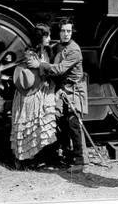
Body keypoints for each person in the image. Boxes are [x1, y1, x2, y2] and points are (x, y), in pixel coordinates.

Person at [28, 18, 88, 172]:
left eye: (68, 31)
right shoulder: (58, 46)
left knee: (74, 124)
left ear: (72, 32)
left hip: (74, 91)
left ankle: (80, 161)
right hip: (63, 90)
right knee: (61, 123)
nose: (66, 34)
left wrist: (40, 65)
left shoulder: (74, 50)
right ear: (59, 32)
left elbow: (60, 69)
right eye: (63, 31)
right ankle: (67, 157)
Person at [10, 24, 57, 166]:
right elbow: (39, 72)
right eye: (46, 36)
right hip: (31, 94)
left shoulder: (45, 52)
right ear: (39, 38)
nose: (49, 38)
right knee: (28, 125)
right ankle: (25, 159)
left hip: (42, 91)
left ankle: (38, 156)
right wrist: (45, 67)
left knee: (40, 125)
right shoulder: (30, 54)